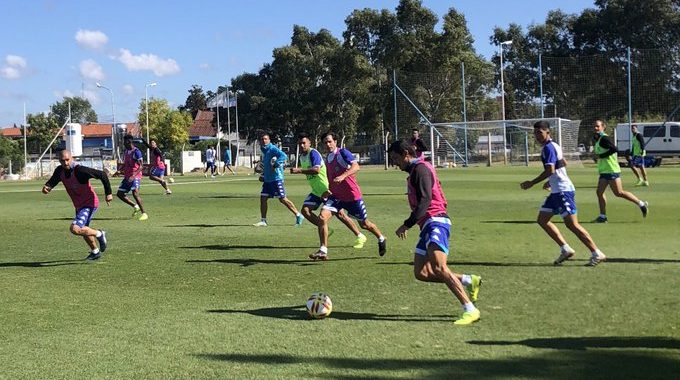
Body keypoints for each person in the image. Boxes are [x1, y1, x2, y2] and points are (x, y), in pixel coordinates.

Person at [387, 140, 482, 325]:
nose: (395, 163)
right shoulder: (414, 171)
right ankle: (469, 281)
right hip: (427, 225)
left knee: (439, 267)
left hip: (436, 221)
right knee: (421, 272)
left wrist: (407, 224)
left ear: (406, 153)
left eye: (396, 158)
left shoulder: (421, 169)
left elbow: (425, 200)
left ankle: (470, 309)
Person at [520, 121, 607, 266]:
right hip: (556, 191)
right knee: (542, 220)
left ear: (548, 132)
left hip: (563, 191)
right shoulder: (554, 146)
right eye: (535, 133)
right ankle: (565, 249)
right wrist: (551, 180)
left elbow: (550, 170)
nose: (537, 136)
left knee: (572, 225)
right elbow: (563, 163)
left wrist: (532, 182)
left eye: (539, 133)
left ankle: (596, 252)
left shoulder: (548, 148)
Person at [290, 133, 368, 258]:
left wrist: (299, 170)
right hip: (316, 190)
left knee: (340, 214)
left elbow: (316, 170)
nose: (302, 145)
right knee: (305, 211)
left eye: (304, 143)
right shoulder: (302, 157)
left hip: (326, 189)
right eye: (300, 143)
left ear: (310, 143)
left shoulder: (313, 153)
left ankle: (359, 235)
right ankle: (324, 227)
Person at [311, 132, 386, 260]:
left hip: (352, 197)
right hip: (335, 197)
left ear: (335, 141)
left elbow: (356, 166)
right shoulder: (327, 158)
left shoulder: (343, 153)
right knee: (322, 218)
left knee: (365, 224)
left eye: (330, 141)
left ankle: (381, 237)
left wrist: (343, 176)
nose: (328, 144)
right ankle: (323, 250)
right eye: (325, 142)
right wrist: (328, 190)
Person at [42, 149, 112, 260]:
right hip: (79, 205)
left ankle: (100, 234)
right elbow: (52, 182)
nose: (65, 163)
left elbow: (102, 174)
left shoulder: (80, 170)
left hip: (89, 203)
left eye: (67, 160)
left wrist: (108, 193)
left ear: (72, 158)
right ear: (59, 161)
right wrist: (47, 188)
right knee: (84, 229)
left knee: (75, 228)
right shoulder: (60, 171)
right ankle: (95, 251)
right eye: (62, 160)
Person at [592, 120, 648, 223]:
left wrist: (600, 156)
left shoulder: (604, 138)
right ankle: (603, 216)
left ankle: (641, 204)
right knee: (599, 192)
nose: (595, 128)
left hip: (611, 170)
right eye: (594, 126)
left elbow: (614, 149)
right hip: (605, 171)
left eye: (597, 126)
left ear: (603, 127)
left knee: (619, 193)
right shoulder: (599, 139)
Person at [253, 133, 303, 227]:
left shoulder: (272, 148)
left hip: (276, 179)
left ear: (269, 140)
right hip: (268, 180)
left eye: (266, 139)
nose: (264, 141)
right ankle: (263, 220)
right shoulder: (264, 150)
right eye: (262, 139)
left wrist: (276, 164)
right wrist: (264, 175)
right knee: (263, 198)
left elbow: (283, 156)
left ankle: (298, 215)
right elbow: (267, 165)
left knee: (282, 199)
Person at [117, 135, 148, 221]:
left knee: (135, 193)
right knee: (120, 194)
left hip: (135, 176)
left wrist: (134, 175)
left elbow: (141, 166)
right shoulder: (126, 151)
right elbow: (125, 164)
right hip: (127, 176)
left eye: (124, 141)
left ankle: (144, 213)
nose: (123, 143)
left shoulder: (136, 152)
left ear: (129, 141)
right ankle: (135, 206)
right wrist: (119, 170)